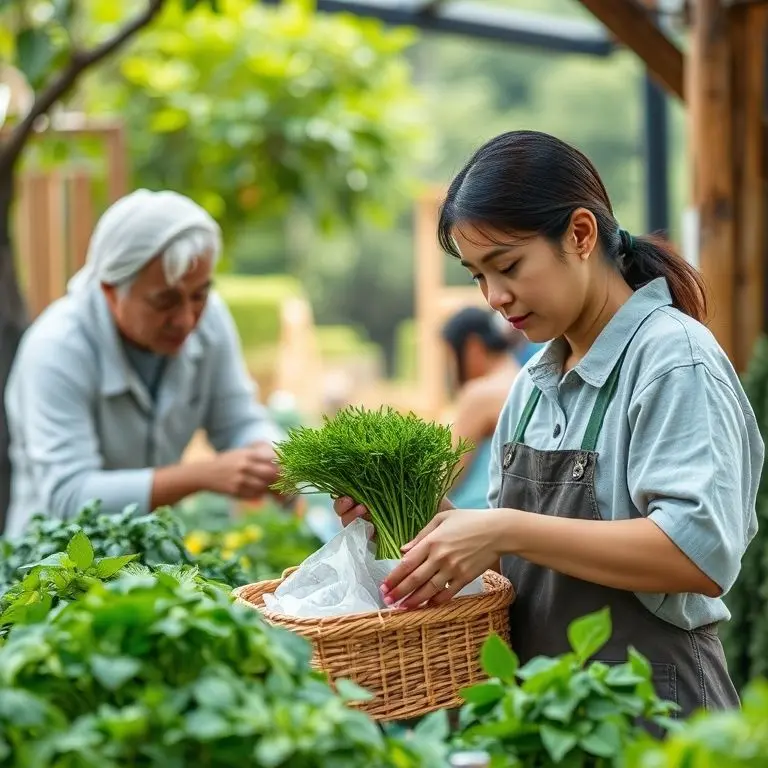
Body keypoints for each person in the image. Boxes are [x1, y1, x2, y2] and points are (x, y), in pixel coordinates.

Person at [334, 130, 764, 717]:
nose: (494, 296)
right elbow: (520, 565)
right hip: (547, 717)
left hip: (656, 717)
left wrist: (504, 529)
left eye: (507, 265)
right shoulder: (532, 385)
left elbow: (698, 554)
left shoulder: (672, 359)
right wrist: (432, 530)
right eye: (477, 275)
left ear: (580, 234)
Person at [5, 189, 285, 538]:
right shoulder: (57, 348)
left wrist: (267, 452)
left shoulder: (210, 320)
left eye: (199, 295)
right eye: (164, 301)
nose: (186, 319)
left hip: (146, 554)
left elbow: (237, 420)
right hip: (48, 561)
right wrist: (200, 475)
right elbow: (70, 496)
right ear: (111, 291)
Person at [441, 306, 520, 509]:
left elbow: (443, 477)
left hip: (475, 518)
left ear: (472, 347)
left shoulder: (480, 395)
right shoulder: (524, 383)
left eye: (450, 357)